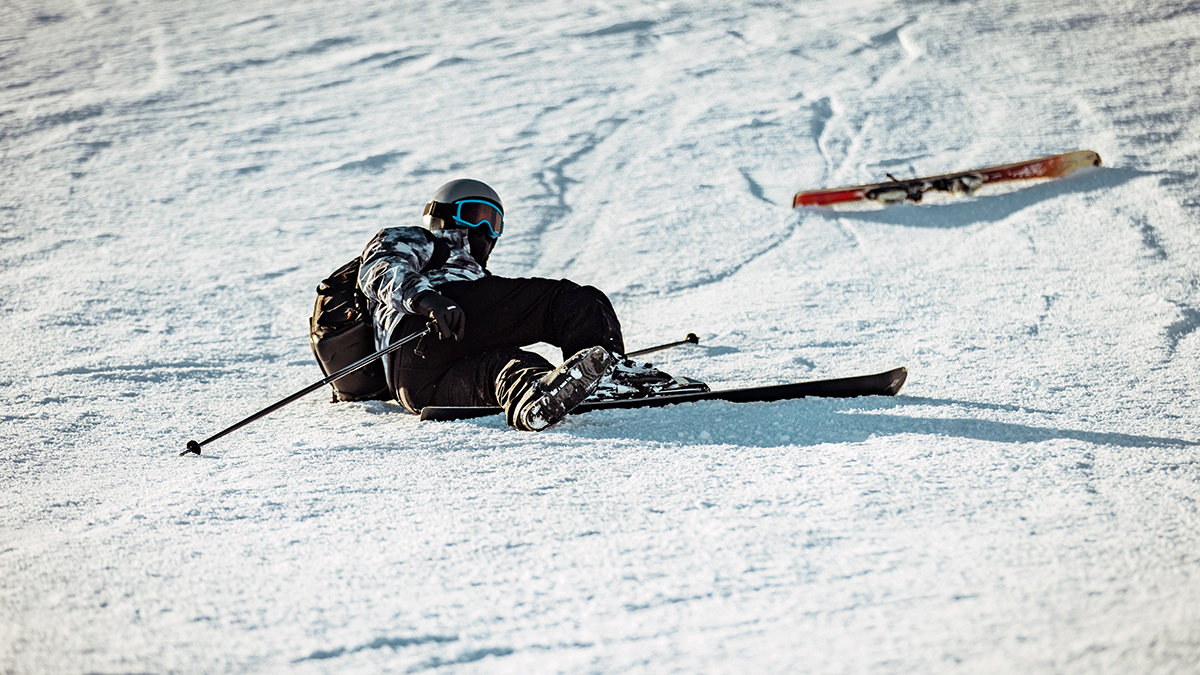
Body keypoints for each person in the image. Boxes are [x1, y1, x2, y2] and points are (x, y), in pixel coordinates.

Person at [357, 178, 665, 431]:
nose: (487, 231)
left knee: (509, 366)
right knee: (572, 301)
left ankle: (535, 397)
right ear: (443, 216)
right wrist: (428, 299)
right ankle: (608, 377)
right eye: (475, 215)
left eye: (495, 222)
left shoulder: (478, 275)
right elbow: (377, 268)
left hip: (420, 388)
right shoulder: (422, 240)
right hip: (427, 327)